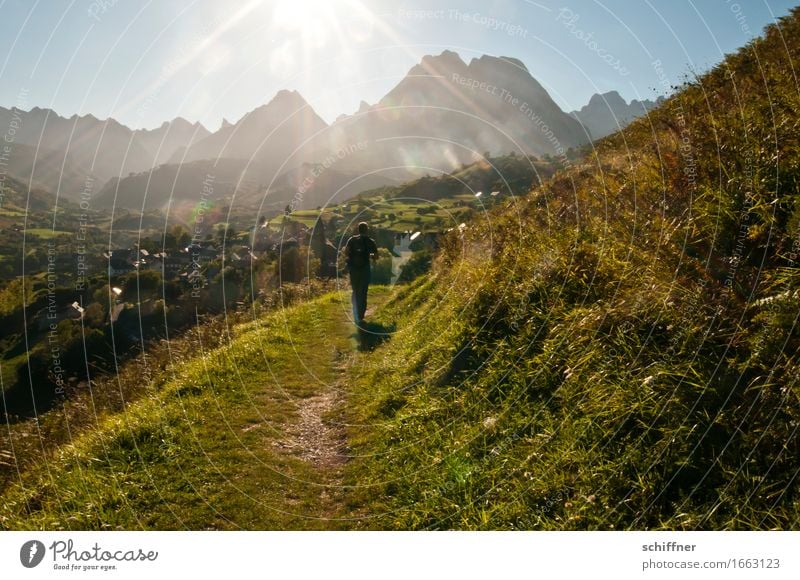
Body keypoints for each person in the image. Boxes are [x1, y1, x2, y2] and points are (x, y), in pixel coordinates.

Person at [345, 222, 378, 324]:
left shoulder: (351, 240)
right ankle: (361, 315)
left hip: (353, 269)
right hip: (365, 269)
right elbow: (375, 256)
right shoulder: (370, 241)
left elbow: (346, 252)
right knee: (363, 291)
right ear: (367, 230)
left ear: (358, 230)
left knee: (355, 290)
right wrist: (370, 255)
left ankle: (355, 312)